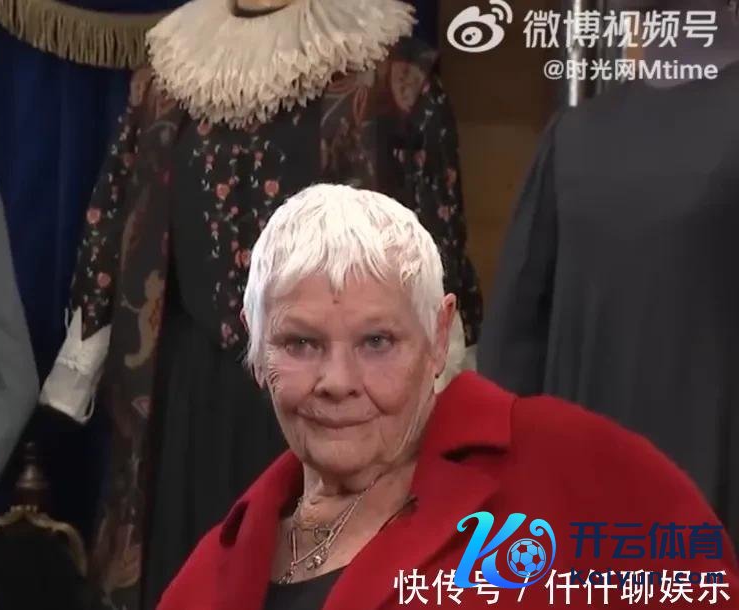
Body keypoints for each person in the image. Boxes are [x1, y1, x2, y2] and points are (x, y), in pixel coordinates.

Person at [157, 183, 738, 610]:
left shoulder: (569, 462)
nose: (337, 380)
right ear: (257, 346)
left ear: (438, 338)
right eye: (301, 343)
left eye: (377, 342)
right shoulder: (210, 576)